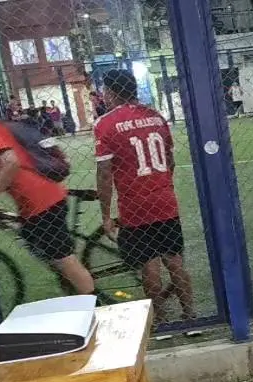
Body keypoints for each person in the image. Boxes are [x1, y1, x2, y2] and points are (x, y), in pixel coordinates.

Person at [0, 86, 95, 296]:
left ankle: (94, 305)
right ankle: (74, 293)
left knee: (64, 260)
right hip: (36, 201)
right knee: (44, 249)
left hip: (41, 201)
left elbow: (11, 161)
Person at [93, 69, 194, 325]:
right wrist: (162, 185)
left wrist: (105, 214)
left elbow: (104, 173)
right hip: (164, 200)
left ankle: (161, 320)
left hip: (134, 204)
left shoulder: (105, 123)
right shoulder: (156, 117)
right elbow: (170, 159)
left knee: (148, 264)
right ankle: (190, 315)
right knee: (174, 260)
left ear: (111, 92)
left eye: (105, 90)